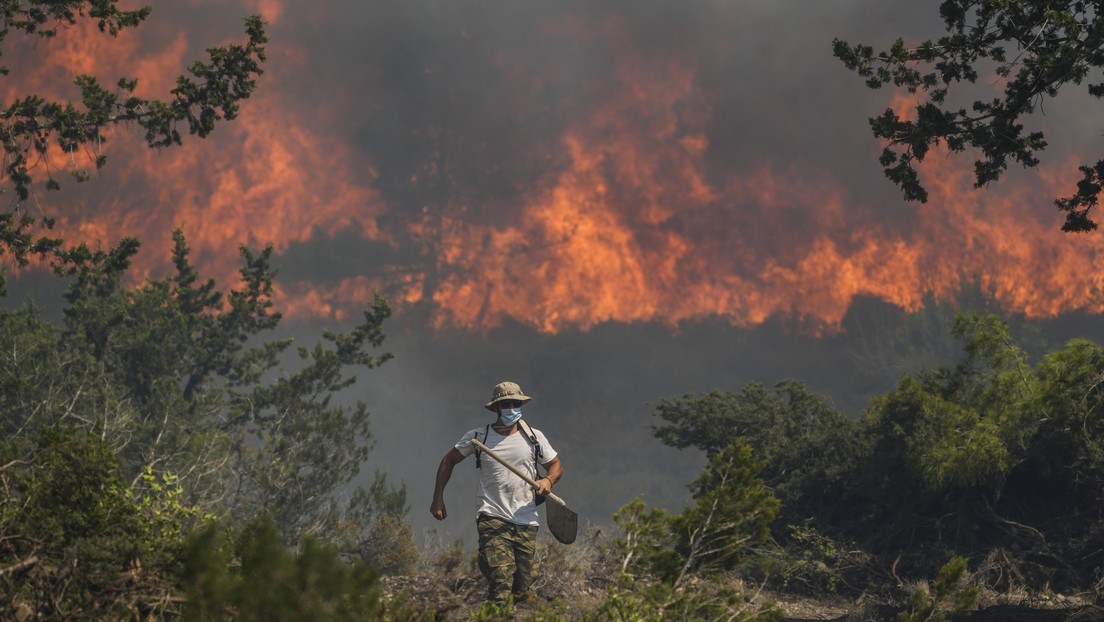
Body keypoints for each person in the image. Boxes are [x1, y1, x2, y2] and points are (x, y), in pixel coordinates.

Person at [430, 381, 564, 604]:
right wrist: (438, 499)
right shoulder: (479, 437)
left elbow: (556, 465)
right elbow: (448, 460)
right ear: (497, 408)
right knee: (502, 576)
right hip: (492, 516)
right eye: (506, 404)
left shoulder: (534, 437)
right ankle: (495, 608)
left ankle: (489, 566)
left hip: (526, 520)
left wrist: (548, 480)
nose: (511, 408)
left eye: (515, 404)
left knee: (521, 589)